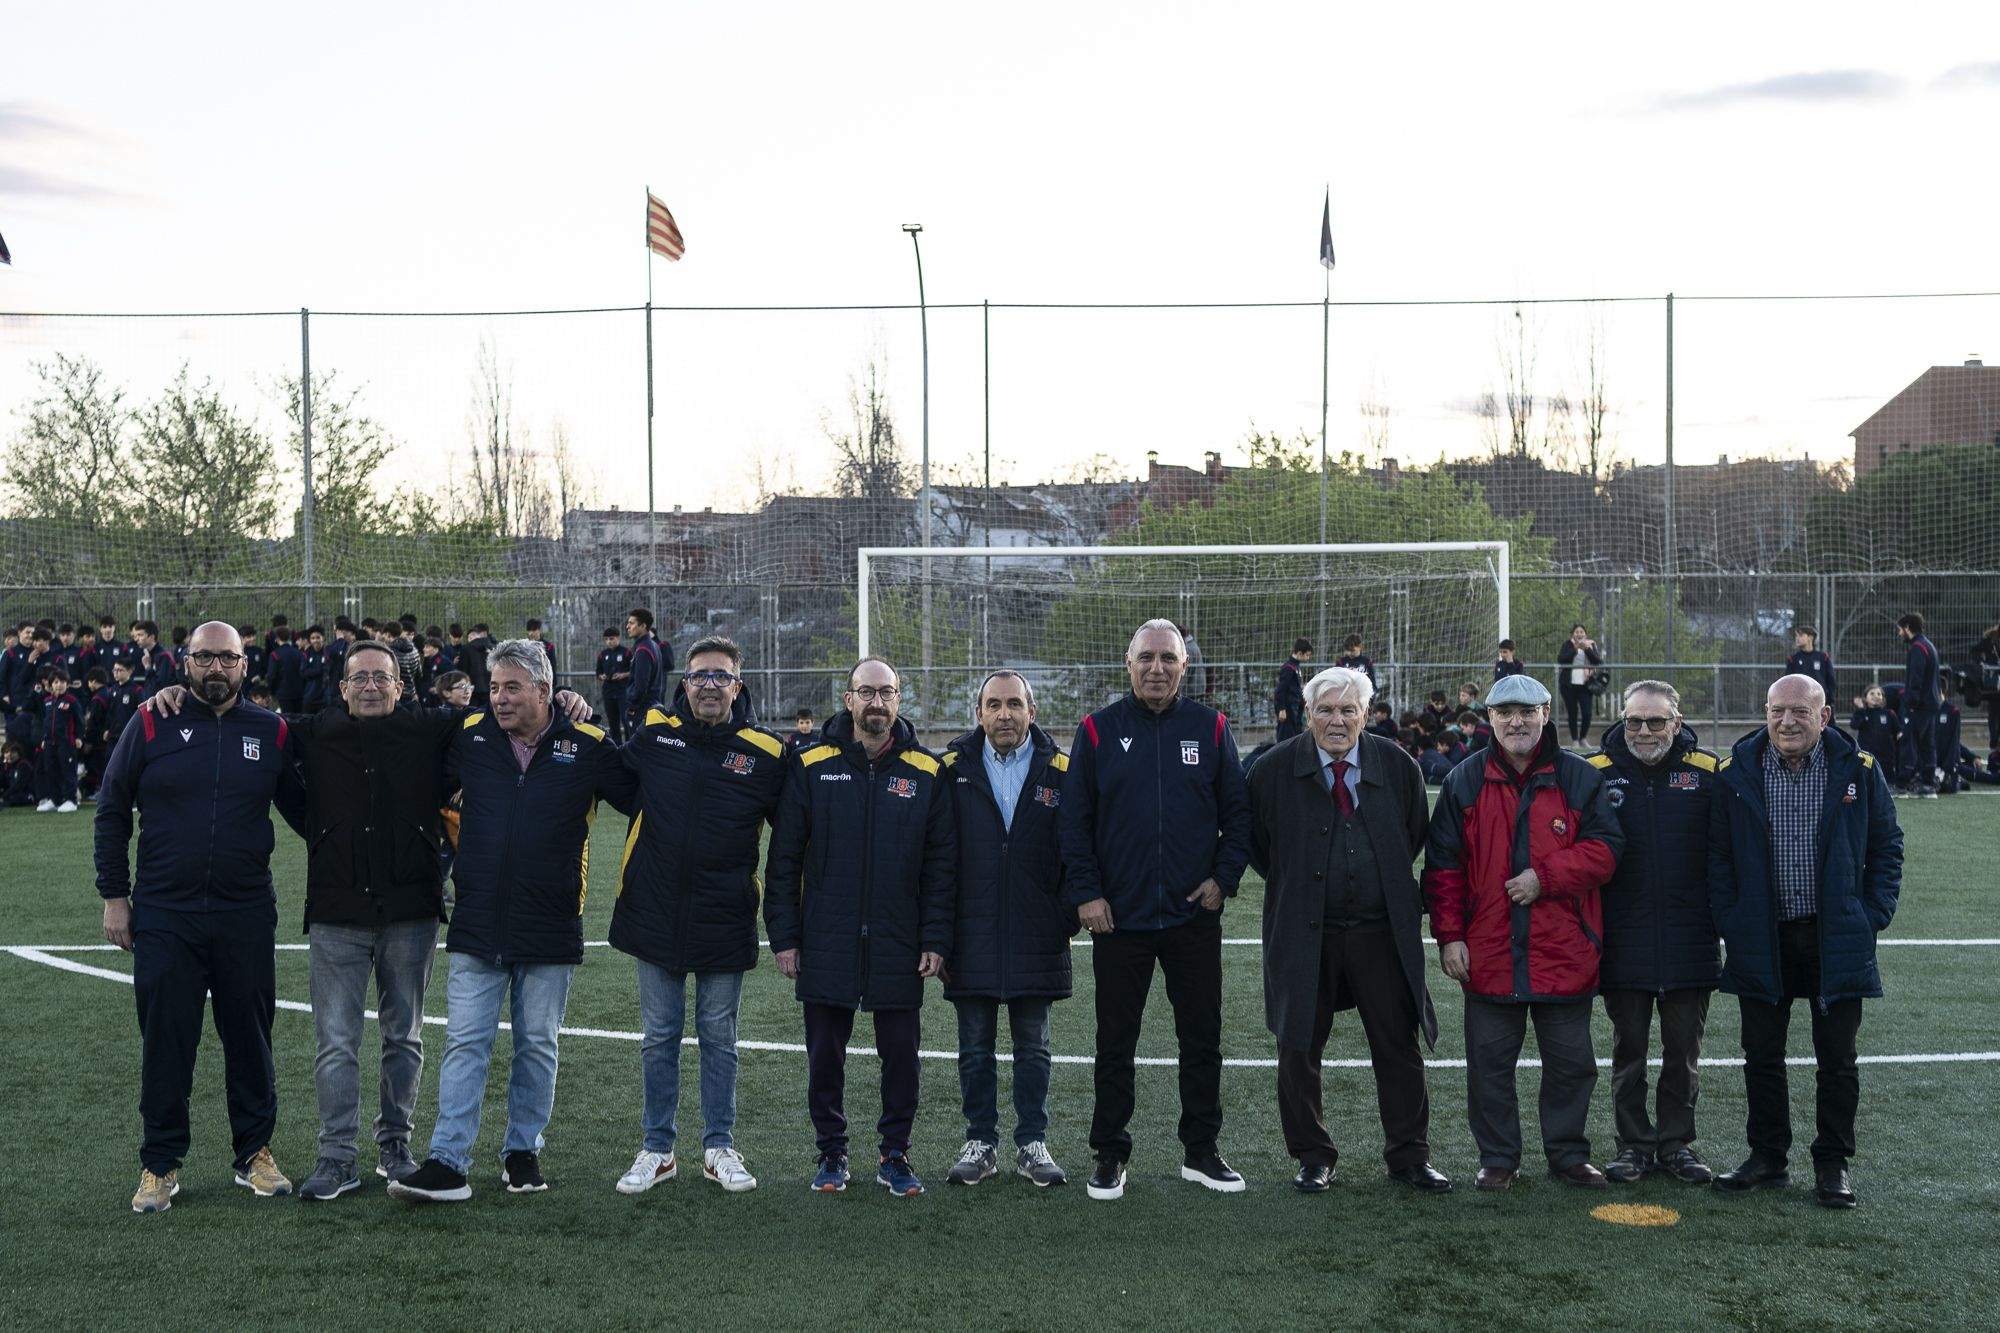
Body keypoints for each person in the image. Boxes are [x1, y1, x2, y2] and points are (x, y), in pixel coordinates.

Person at [147, 640, 594, 1200]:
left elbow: (514, 712)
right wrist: (176, 696)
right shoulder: (311, 732)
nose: (371, 686)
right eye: (359, 677)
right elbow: (244, 724)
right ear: (342, 688)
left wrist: (568, 701)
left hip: (410, 911)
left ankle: (395, 1149)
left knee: (403, 1038)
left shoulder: (436, 728)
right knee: (335, 1041)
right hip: (336, 910)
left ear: (400, 685)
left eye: (382, 677)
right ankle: (336, 1156)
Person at [389, 640, 638, 1203]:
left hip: (550, 923)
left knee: (537, 1045)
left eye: (512, 688)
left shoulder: (588, 744)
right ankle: (448, 1161)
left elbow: (646, 798)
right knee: (465, 1042)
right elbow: (409, 743)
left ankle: (522, 1152)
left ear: (545, 692)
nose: (499, 699)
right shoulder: (470, 736)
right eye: (494, 688)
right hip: (477, 919)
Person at [94, 622, 308, 1213]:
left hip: (244, 912)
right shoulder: (150, 720)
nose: (216, 668)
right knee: (167, 1040)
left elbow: (311, 814)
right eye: (205, 657)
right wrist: (116, 896)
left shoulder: (271, 731)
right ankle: (159, 1164)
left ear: (245, 664)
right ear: (185, 661)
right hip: (165, 912)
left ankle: (255, 1154)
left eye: (228, 658)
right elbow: (112, 808)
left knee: (250, 1036)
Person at [1061, 619, 1252, 1201]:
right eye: (1147, 657)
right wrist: (1088, 894)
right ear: (1128, 663)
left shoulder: (1212, 727)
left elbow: (1239, 816)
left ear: (1184, 666)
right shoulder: (1097, 732)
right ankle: (1111, 1154)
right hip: (1120, 920)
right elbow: (1074, 826)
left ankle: (1201, 1151)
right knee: (1115, 1040)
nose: (1157, 668)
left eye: (1168, 658)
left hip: (1193, 918)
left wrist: (1223, 879)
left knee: (1202, 1038)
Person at [1250, 666, 1450, 1195]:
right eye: (1325, 710)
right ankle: (1313, 1156)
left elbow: (1411, 833)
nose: (1336, 721)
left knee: (1397, 1044)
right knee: (1298, 1046)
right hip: (1303, 931)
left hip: (1379, 933)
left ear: (1366, 714)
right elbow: (1256, 844)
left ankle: (1409, 1156)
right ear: (1308, 714)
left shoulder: (1397, 764)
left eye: (1347, 710)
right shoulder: (1272, 770)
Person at [1422, 672, 1623, 1192]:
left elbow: (1606, 850)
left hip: (1564, 948)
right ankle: (1498, 1158)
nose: (1516, 721)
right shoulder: (1464, 780)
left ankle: (1568, 1155)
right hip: (1487, 950)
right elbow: (1443, 869)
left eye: (1526, 711)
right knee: (1489, 1068)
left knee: (1571, 1065)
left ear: (1546, 714)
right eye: (1505, 712)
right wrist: (1450, 937)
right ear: (1489, 719)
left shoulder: (1580, 777)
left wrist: (1547, 877)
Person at [763, 657, 955, 1197]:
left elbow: (942, 867)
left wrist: (935, 938)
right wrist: (786, 937)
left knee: (902, 1058)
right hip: (827, 937)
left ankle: (895, 1154)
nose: (876, 702)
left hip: (899, 941)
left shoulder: (926, 769)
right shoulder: (811, 764)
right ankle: (831, 1153)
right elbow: (784, 859)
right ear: (848, 699)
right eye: (865, 692)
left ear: (899, 700)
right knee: (825, 1056)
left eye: (886, 693)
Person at [1710, 674, 1903, 1209]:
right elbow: (1718, 855)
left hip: (1834, 936)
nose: (1786, 721)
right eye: (1776, 710)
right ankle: (1767, 1157)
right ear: (1765, 712)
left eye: (1800, 711)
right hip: (1762, 938)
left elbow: (1888, 844)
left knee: (1837, 1059)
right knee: (1761, 1055)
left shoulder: (1859, 770)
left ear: (1825, 716)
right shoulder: (1735, 772)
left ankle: (1832, 1163)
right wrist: (1731, 917)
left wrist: (1871, 915)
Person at [610, 637, 787, 1197]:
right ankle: (658, 1149)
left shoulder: (766, 753)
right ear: (684, 684)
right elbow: (608, 779)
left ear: (739, 685)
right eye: (699, 676)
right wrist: (574, 712)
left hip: (724, 913)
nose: (709, 685)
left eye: (721, 676)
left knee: (719, 1037)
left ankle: (718, 1147)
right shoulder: (655, 738)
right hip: (654, 911)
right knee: (659, 1036)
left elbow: (796, 832)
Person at [939, 670, 1074, 1189]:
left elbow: (1077, 850)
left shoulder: (1062, 770)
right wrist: (942, 931)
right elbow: (937, 857)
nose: (1004, 714)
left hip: (1036, 933)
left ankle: (1031, 1142)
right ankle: (980, 1141)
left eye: (1014, 704)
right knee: (974, 1046)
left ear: (1031, 712)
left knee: (1033, 1046)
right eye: (993, 705)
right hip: (969, 933)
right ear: (978, 714)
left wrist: (1060, 917)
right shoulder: (950, 769)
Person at [1586, 681, 1721, 1185]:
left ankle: (1677, 1144)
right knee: (1629, 1050)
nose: (1644, 731)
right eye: (1635, 721)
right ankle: (1633, 1146)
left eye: (1656, 721)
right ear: (1622, 721)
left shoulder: (1708, 773)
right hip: (1623, 939)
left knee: (1683, 1053)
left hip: (1691, 939)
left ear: (1677, 723)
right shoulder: (1594, 774)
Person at [1896, 613, 1940, 797]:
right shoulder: (1928, 645)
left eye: (1900, 629)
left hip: (1919, 705)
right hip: (1931, 704)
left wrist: (1910, 703)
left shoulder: (1917, 648)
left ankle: (1903, 784)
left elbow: (1916, 679)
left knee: (1910, 742)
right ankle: (1928, 784)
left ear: (1907, 628)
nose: (1899, 633)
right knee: (1927, 744)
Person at [32, 664, 84, 812]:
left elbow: (80, 721)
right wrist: (43, 738)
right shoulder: (47, 701)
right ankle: (54, 799)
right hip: (49, 742)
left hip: (66, 742)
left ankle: (71, 800)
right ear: (50, 685)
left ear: (67, 684)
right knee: (51, 770)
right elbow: (45, 722)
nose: (59, 685)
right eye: (55, 682)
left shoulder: (72, 701)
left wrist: (79, 737)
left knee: (67, 771)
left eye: (62, 682)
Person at [624, 608, 672, 735]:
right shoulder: (653, 645)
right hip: (653, 705)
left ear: (643, 626)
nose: (627, 626)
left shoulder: (643, 650)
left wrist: (633, 707)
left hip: (642, 709)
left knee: (636, 748)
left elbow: (641, 686)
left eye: (632, 623)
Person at [1555, 624, 1603, 746]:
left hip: (1586, 685)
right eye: (1577, 632)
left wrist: (1587, 649)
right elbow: (1561, 659)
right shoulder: (1568, 644)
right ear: (1573, 634)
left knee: (1587, 713)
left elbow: (1598, 661)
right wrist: (1575, 649)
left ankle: (1583, 738)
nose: (1579, 634)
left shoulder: (1591, 644)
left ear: (1585, 634)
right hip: (1568, 685)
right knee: (1572, 712)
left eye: (1581, 632)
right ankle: (1575, 740)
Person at [1849, 686, 1900, 783]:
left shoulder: (1889, 713)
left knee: (1886, 775)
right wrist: (1860, 709)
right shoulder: (1862, 713)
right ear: (1865, 698)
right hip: (1867, 754)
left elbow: (1898, 731)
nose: (1875, 696)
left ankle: (1889, 788)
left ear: (1883, 698)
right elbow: (1854, 725)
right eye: (1872, 693)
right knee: (1867, 776)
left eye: (1879, 694)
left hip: (1886, 755)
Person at [595, 627, 631, 746]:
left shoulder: (626, 652)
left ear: (618, 638)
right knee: (613, 722)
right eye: (607, 639)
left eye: (612, 638)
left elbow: (634, 670)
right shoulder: (603, 654)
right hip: (608, 692)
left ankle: (630, 745)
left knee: (626, 721)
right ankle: (617, 747)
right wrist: (602, 676)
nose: (609, 641)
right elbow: (598, 672)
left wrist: (622, 675)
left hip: (623, 692)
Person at [1273, 638, 1312, 743]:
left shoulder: (1296, 667)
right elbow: (1280, 690)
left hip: (1296, 709)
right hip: (1288, 710)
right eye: (1307, 655)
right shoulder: (1288, 668)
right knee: (1285, 739)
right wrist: (1281, 708)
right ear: (1300, 653)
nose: (1308, 658)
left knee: (1297, 737)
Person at [1785, 627, 1836, 701]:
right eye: (1796, 636)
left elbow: (1831, 680)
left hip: (1818, 700)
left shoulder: (1823, 657)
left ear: (1810, 637)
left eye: (1801, 635)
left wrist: (1830, 700)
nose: (1797, 638)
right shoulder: (1793, 659)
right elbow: (1788, 681)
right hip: (1800, 700)